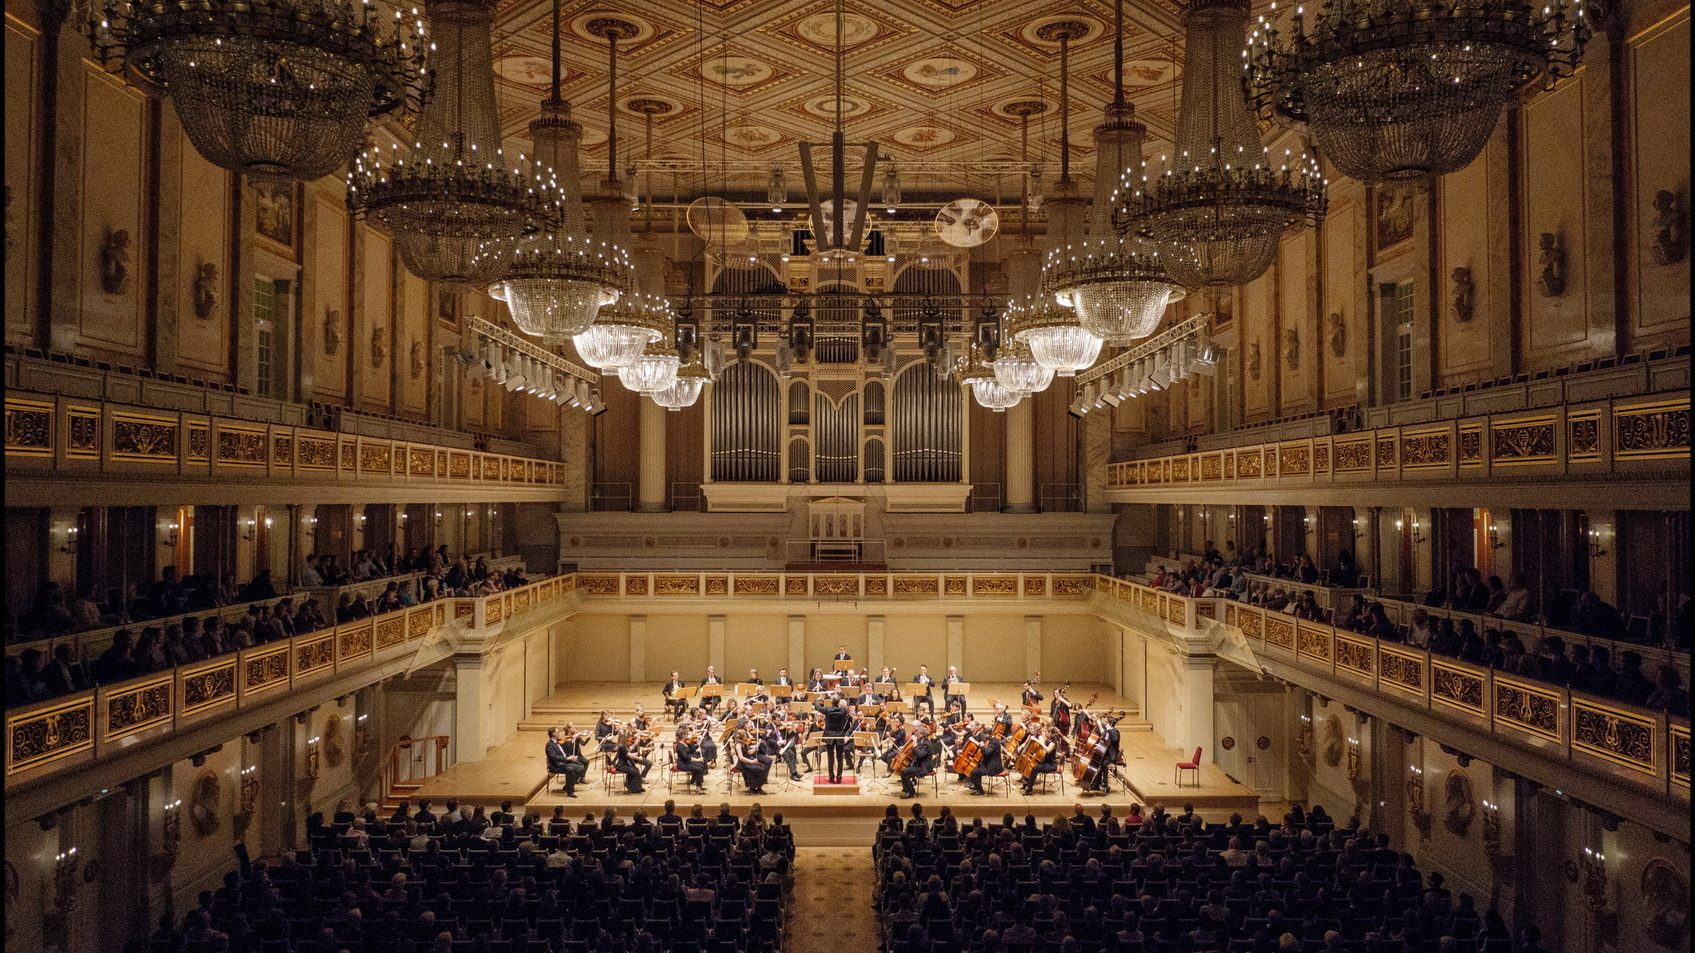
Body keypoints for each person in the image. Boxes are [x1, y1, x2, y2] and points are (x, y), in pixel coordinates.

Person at [813, 692, 853, 783]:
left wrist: (816, 700)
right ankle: (839, 777)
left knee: (830, 757)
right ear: (839, 702)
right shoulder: (843, 710)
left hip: (829, 735)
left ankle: (831, 777)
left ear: (831, 702)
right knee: (840, 757)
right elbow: (848, 711)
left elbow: (818, 708)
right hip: (839, 735)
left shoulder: (827, 709)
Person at [545, 726, 587, 797]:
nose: (559, 733)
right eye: (558, 732)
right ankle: (569, 791)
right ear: (554, 734)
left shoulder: (558, 742)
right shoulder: (550, 745)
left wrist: (572, 757)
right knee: (571, 769)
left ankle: (568, 785)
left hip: (563, 762)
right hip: (556, 765)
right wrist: (567, 759)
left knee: (581, 766)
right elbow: (554, 757)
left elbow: (564, 753)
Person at [899, 727, 936, 799]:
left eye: (917, 734)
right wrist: (903, 747)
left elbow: (919, 755)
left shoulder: (926, 744)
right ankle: (909, 789)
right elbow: (912, 749)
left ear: (922, 734)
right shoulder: (922, 741)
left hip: (924, 767)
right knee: (904, 770)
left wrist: (915, 743)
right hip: (919, 765)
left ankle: (909, 792)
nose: (916, 736)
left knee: (904, 772)